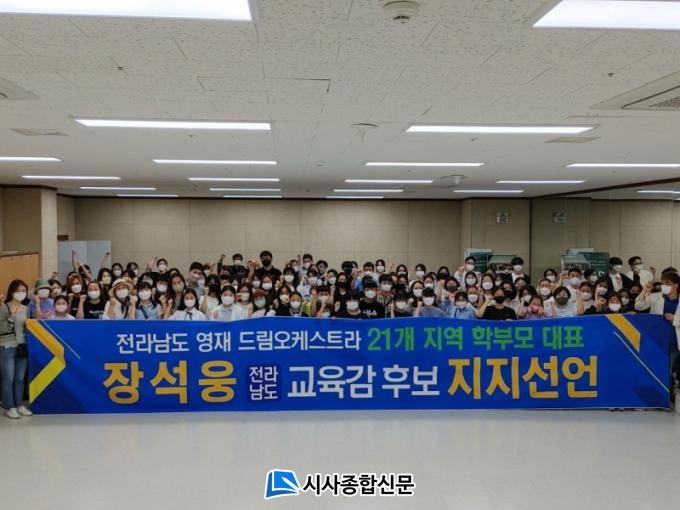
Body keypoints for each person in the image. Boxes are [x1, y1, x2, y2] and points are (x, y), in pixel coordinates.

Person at [0, 280, 32, 419]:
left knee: (20, 378)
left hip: (22, 347)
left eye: (24, 291)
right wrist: (12, 316)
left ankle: (20, 405)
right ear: (12, 292)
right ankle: (9, 406)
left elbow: (28, 328)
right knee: (8, 378)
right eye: (18, 291)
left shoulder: (26, 309)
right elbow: (1, 328)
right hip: (7, 346)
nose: (21, 293)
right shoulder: (4, 308)